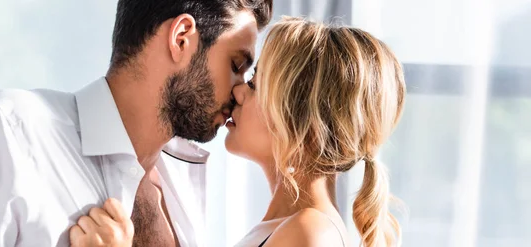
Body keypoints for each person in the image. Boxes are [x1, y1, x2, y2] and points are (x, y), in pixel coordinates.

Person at [0, 0, 272, 246]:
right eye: (236, 65)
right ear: (181, 37)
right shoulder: (6, 133)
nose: (241, 90)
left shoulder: (183, 181)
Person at [78, 17, 406, 247]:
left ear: (298, 117)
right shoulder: (291, 227)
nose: (237, 93)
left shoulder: (310, 233)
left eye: (255, 83)